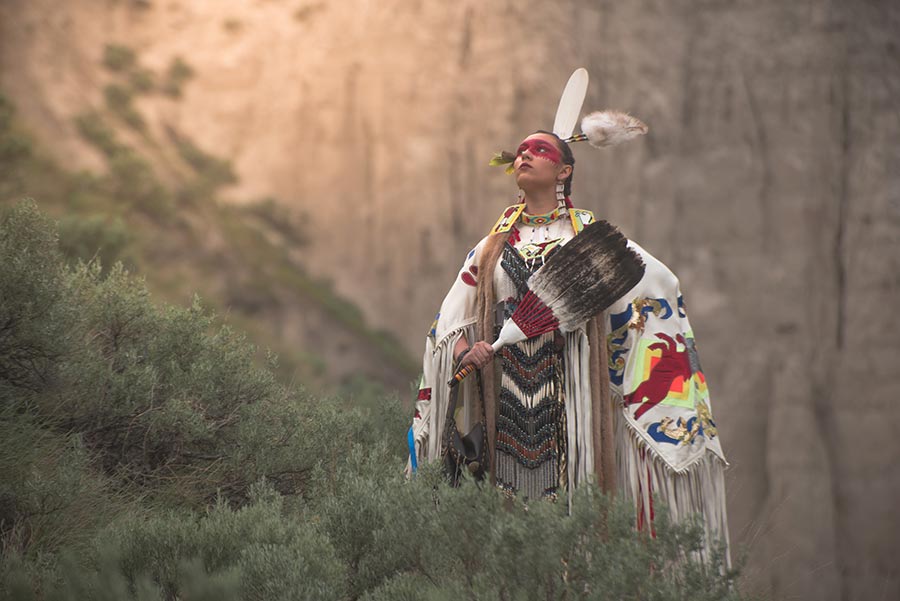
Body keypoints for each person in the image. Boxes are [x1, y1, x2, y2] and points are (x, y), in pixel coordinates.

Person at [407, 95, 730, 563]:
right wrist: (464, 353)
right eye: (519, 150)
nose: (523, 155)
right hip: (506, 394)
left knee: (573, 510)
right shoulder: (493, 245)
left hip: (573, 393)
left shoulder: (588, 238)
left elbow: (657, 283)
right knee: (507, 510)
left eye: (538, 150)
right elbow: (451, 316)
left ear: (564, 172)